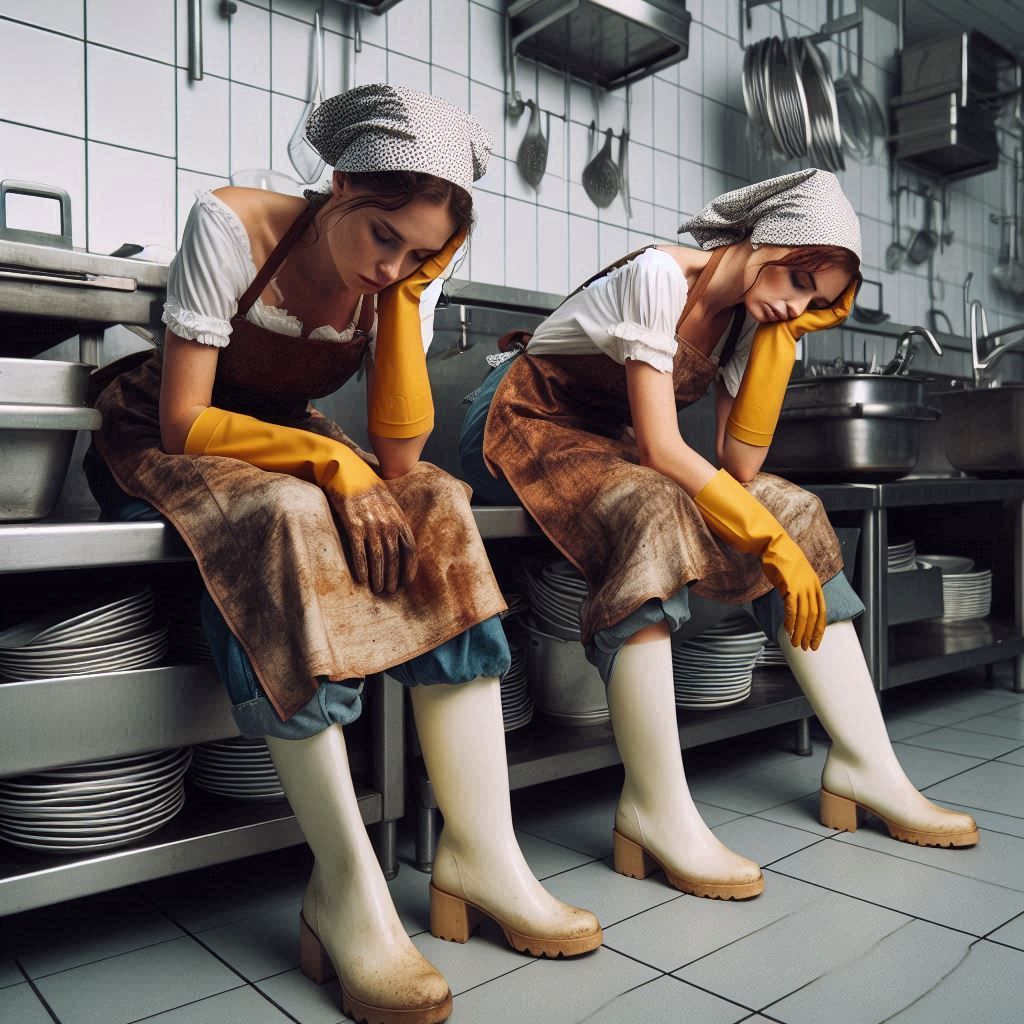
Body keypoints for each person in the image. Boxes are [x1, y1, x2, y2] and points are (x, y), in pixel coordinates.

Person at [86, 85, 600, 1024]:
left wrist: (405, 298)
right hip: (174, 437)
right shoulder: (229, 224)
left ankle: (481, 853)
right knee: (285, 513)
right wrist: (328, 459)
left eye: (421, 251)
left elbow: (400, 456)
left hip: (293, 439)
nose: (395, 263)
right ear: (340, 184)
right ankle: (346, 891)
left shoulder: (406, 271)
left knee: (438, 499)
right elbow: (183, 416)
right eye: (383, 238)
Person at [460, 168, 978, 903]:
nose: (796, 303)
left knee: (791, 506)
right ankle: (655, 810)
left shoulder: (754, 324)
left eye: (815, 303)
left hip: (607, 447)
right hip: (515, 425)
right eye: (798, 280)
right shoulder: (657, 277)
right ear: (766, 236)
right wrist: (768, 548)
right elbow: (664, 452)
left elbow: (741, 465)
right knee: (656, 507)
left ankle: (867, 767)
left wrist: (783, 337)